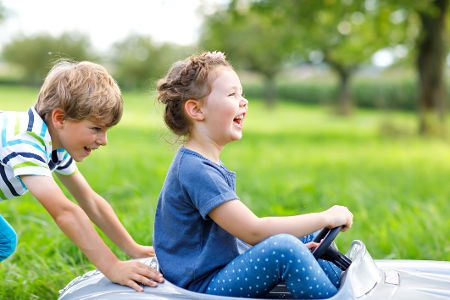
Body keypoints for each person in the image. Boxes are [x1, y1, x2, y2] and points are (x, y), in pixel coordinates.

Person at [153, 51, 353, 299]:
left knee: (305, 236)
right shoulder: (195, 170)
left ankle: (346, 290)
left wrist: (307, 237)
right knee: (285, 249)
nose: (244, 101)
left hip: (217, 271)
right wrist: (326, 217)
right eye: (232, 94)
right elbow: (253, 230)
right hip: (200, 286)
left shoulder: (203, 163)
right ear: (196, 109)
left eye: (242, 94)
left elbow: (235, 238)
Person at [0, 60, 163, 292]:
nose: (103, 140)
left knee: (3, 242)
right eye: (96, 129)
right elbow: (65, 211)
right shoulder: (25, 141)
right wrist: (112, 266)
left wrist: (132, 248)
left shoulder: (55, 146)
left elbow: (90, 201)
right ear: (59, 118)